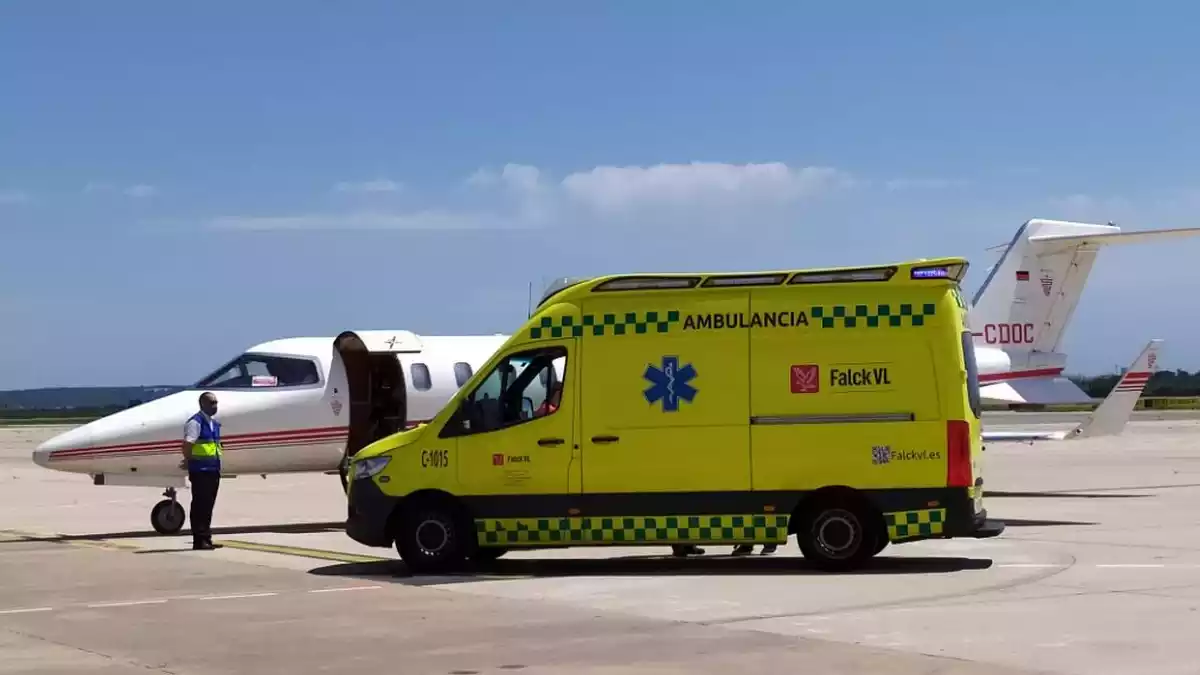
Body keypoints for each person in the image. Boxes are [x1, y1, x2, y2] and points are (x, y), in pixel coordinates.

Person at [180, 392, 223, 550]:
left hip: (213, 469)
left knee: (208, 506)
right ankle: (199, 540)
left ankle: (207, 537)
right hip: (201, 470)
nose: (215, 406)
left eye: (216, 403)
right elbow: (187, 445)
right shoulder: (195, 422)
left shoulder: (214, 423)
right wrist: (190, 460)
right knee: (200, 505)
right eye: (212, 403)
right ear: (202, 404)